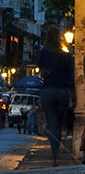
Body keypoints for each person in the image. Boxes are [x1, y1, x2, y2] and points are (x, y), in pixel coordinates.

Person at [38, 25, 73, 166]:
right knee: (59, 123)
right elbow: (69, 76)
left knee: (52, 122)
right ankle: (58, 146)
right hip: (62, 91)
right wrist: (73, 95)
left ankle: (54, 156)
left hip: (48, 90)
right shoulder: (64, 54)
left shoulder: (44, 51)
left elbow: (41, 68)